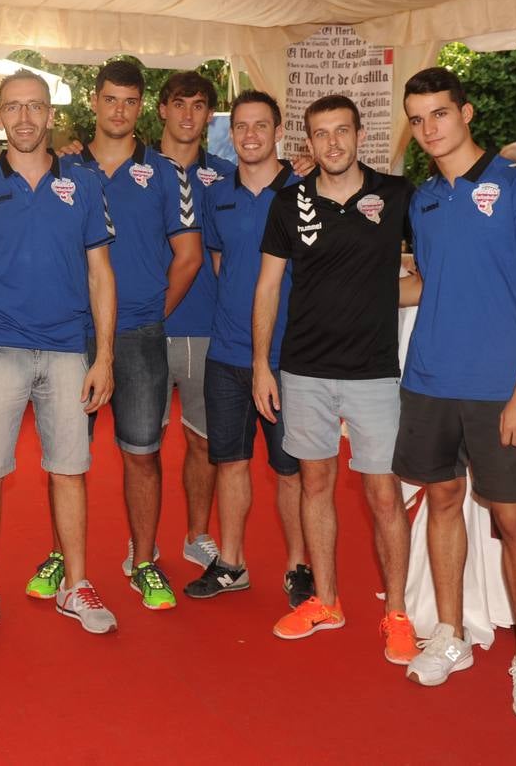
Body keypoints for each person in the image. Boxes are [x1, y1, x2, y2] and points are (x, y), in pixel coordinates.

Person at [397, 67, 516, 720]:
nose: (428, 129)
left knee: (512, 519)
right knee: (440, 503)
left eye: (438, 113)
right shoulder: (421, 201)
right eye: (416, 119)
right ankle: (449, 633)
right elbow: (427, 285)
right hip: (429, 383)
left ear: (466, 113)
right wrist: (346, 285)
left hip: (500, 390)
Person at [0, 70, 118, 642]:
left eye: (34, 107)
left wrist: (105, 357)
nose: (24, 117)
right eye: (13, 107)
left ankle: (76, 584)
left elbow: (101, 274)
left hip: (69, 352)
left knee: (69, 471)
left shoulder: (86, 185)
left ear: (50, 116)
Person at [253, 94, 419, 665]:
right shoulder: (289, 201)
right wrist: (260, 365)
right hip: (303, 371)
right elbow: (268, 288)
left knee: (382, 494)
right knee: (315, 485)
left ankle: (397, 612)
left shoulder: (397, 196)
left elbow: (432, 274)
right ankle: (325, 601)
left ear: (359, 134)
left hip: (374, 373)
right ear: (309, 142)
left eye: (341, 132)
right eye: (320, 135)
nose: (332, 144)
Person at [42, 61, 201, 612]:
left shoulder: (166, 173)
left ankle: (144, 559)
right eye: (110, 100)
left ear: (141, 107)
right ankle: (63, 553)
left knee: (142, 453)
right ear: (94, 100)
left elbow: (188, 256)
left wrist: (148, 311)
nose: (119, 111)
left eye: (130, 102)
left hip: (138, 335)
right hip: (69, 336)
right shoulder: (61, 168)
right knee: (67, 456)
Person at [191, 90, 309, 604]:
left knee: (291, 470)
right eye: (241, 126)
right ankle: (231, 563)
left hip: (292, 359)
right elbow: (222, 264)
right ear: (231, 132)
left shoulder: (308, 191)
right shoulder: (218, 196)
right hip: (227, 355)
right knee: (231, 462)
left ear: (279, 129)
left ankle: (299, 565)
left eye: (261, 125)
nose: (251, 135)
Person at [153, 71, 236, 581]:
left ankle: (196, 535)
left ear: (208, 115)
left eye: (199, 105)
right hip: (150, 330)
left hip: (211, 328)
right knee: (143, 447)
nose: (188, 114)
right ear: (162, 109)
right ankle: (143, 544)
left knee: (204, 441)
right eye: (179, 104)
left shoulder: (229, 174)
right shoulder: (133, 171)